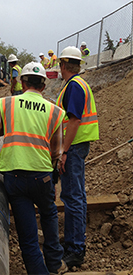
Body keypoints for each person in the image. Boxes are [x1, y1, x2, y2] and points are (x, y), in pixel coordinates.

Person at [0, 62, 67, 275]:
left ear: (22, 82)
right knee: (49, 215)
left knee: (28, 237)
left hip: (15, 177)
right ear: (43, 86)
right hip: (42, 177)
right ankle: (56, 263)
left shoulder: (6, 105)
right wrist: (52, 179)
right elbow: (56, 153)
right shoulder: (55, 112)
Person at [56, 46, 99, 268]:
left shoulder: (73, 86)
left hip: (73, 147)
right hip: (78, 146)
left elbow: (73, 120)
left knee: (72, 197)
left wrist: (62, 150)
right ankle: (74, 241)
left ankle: (75, 249)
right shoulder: (80, 84)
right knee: (77, 196)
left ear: (63, 65)